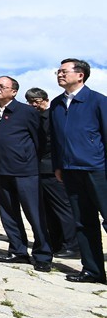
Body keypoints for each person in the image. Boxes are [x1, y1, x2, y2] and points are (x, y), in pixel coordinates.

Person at [0, 76, 52, 272]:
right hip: (0, 170)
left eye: (2, 86)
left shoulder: (27, 111)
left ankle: (43, 254)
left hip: (25, 171)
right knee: (8, 213)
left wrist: (26, 157)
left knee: (35, 214)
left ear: (14, 91)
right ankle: (17, 250)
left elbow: (39, 139)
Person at [50, 59, 107, 283]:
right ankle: (93, 271)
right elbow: (55, 139)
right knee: (83, 222)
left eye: (64, 71)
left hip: (97, 169)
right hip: (70, 170)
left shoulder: (98, 101)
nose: (60, 75)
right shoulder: (56, 104)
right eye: (58, 71)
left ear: (80, 75)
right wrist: (58, 165)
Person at [25, 87, 79, 259]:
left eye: (36, 101)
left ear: (45, 100)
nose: (33, 105)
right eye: (30, 102)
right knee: (48, 210)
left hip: (51, 168)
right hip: (39, 169)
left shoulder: (53, 116)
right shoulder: (34, 119)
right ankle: (56, 243)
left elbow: (53, 142)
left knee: (63, 208)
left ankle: (72, 245)